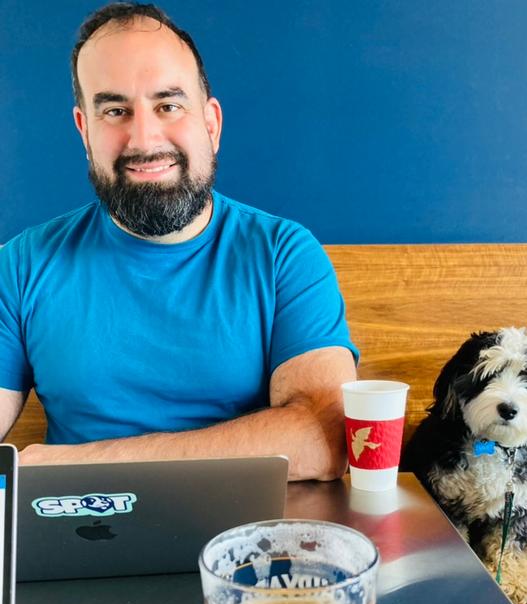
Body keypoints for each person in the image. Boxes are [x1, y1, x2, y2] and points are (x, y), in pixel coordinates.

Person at [0, 3, 357, 480]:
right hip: (79, 538)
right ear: (85, 130)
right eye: (114, 110)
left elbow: (325, 437)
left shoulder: (283, 254)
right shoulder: (21, 265)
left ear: (210, 123)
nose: (144, 138)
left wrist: (66, 463)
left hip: (248, 543)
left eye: (168, 105)